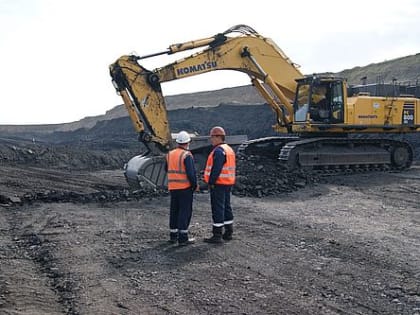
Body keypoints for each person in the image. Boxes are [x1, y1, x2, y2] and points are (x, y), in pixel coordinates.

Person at [203, 126, 236, 244]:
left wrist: (211, 182)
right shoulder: (228, 149)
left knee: (218, 208)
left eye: (212, 137)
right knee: (226, 206)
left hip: (219, 184)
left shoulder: (218, 151)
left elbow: (216, 169)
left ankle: (217, 235)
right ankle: (228, 232)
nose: (211, 139)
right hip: (228, 183)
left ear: (218, 137)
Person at [166, 131, 198, 246]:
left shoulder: (170, 154)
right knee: (184, 212)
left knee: (174, 211)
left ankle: (173, 236)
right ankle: (183, 238)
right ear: (188, 142)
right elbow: (191, 173)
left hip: (173, 188)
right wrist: (194, 185)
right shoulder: (187, 155)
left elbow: (166, 169)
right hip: (185, 188)